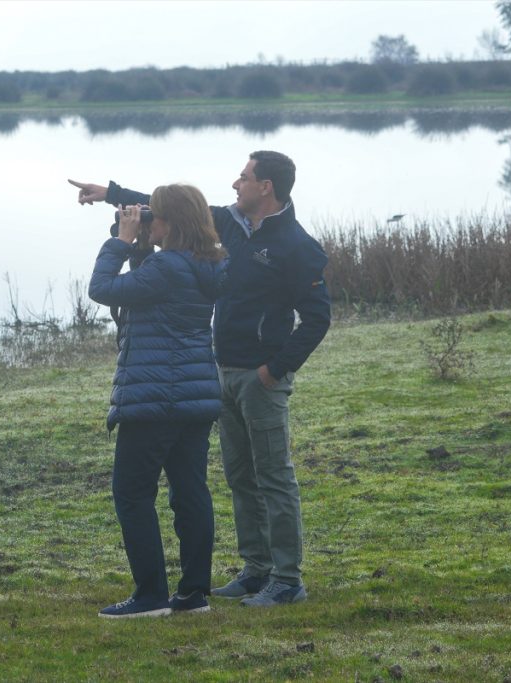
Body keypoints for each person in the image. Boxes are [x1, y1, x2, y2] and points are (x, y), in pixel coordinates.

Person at [70, 150, 331, 608]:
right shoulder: (227, 227)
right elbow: (170, 208)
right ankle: (255, 570)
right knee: (238, 477)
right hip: (216, 372)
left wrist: (276, 367)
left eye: (244, 177)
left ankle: (286, 578)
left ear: (265, 186)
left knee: (273, 477)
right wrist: (111, 194)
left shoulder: (296, 245)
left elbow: (317, 317)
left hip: (260, 375)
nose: (235, 184)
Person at [87, 184, 226, 619]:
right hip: (195, 396)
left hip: (154, 399)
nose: (150, 221)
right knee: (190, 492)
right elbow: (150, 283)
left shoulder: (165, 268)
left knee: (131, 494)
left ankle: (150, 596)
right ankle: (193, 594)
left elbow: (102, 288)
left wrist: (121, 241)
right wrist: (140, 242)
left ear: (172, 223)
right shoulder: (208, 263)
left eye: (155, 216)